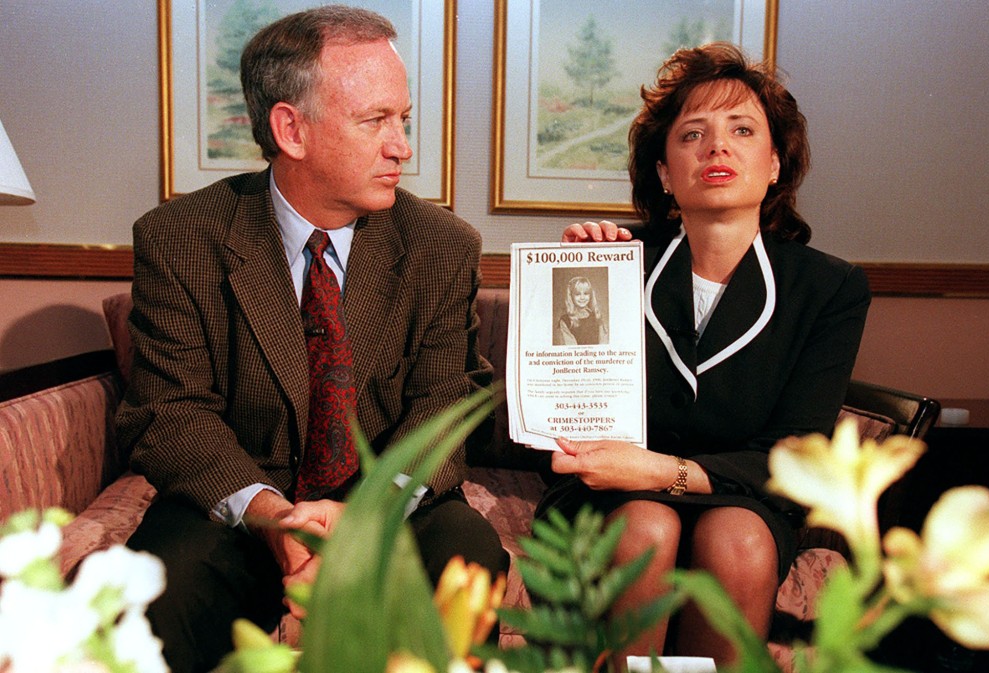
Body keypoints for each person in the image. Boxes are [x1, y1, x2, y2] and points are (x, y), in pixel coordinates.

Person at [116, 6, 508, 671]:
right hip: (239, 508)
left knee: (466, 550)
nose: (402, 146)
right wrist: (270, 513)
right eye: (375, 121)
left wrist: (364, 520)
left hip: (389, 508)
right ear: (291, 129)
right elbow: (172, 412)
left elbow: (444, 409)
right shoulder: (180, 239)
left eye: (403, 119)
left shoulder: (442, 247)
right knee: (161, 582)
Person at [539, 42, 871, 664]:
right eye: (693, 133)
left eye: (742, 130)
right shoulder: (609, 261)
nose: (717, 147)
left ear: (775, 163)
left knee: (739, 538)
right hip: (609, 492)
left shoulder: (830, 287)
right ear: (665, 173)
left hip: (743, 496)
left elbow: (796, 455)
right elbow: (561, 417)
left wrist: (665, 472)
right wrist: (567, 280)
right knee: (647, 527)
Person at [556, 275, 609, 346]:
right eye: (577, 294)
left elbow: (604, 342)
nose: (582, 297)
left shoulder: (596, 316)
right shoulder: (566, 321)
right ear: (571, 296)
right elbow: (569, 347)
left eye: (586, 293)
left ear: (590, 295)